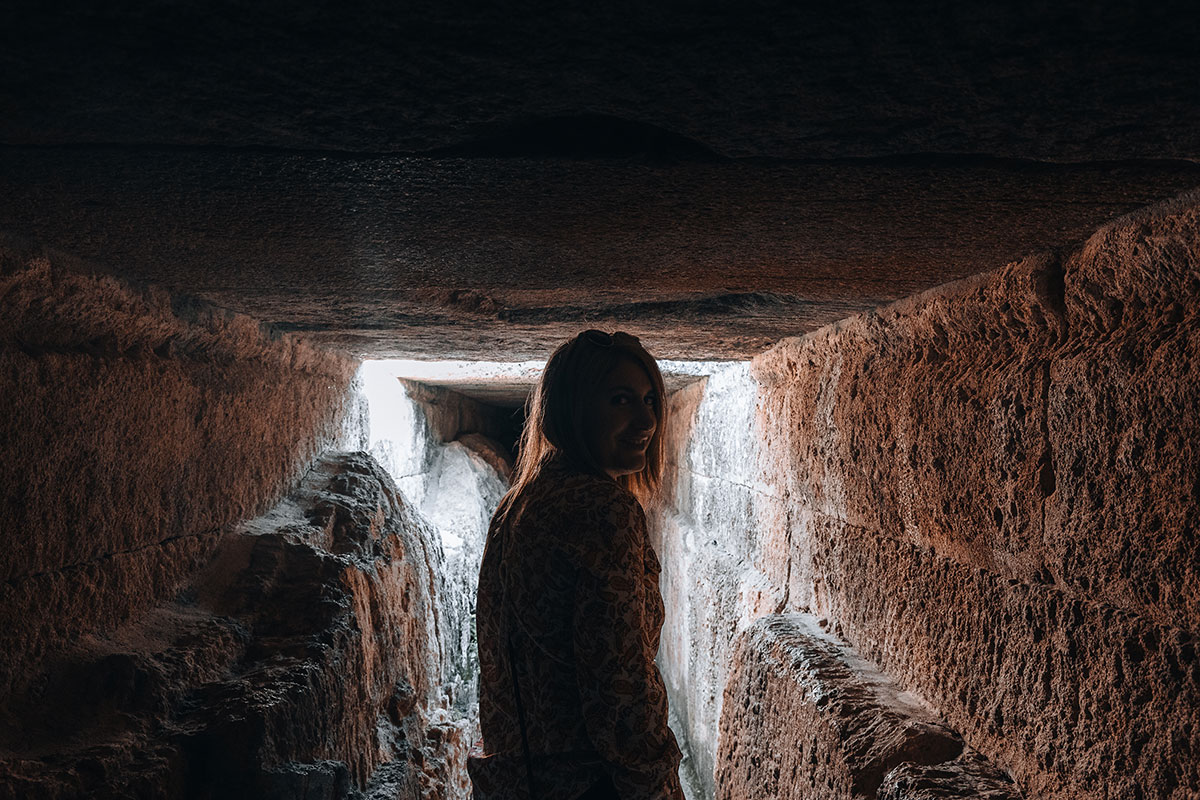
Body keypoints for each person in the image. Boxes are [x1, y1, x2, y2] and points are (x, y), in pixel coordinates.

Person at [468, 330, 685, 800]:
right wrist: (656, 782)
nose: (646, 419)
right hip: (591, 784)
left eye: (650, 399)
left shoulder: (515, 507)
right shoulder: (605, 511)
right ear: (573, 408)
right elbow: (620, 686)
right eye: (621, 399)